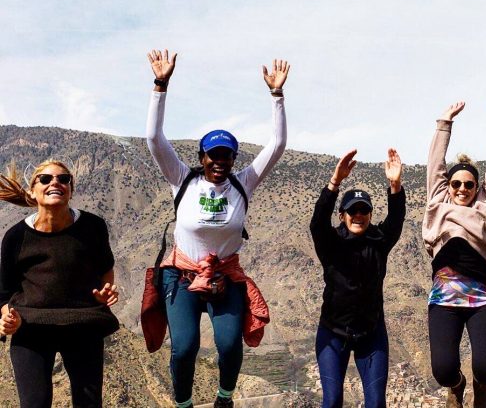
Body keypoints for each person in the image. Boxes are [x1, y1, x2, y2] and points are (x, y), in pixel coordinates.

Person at [144, 49, 288, 408]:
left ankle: (225, 398)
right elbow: (153, 139)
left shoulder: (244, 184)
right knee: (185, 348)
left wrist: (277, 96)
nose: (220, 162)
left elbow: (278, 144)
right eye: (214, 155)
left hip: (225, 275)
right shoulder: (182, 180)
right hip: (181, 276)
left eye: (227, 156)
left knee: (227, 344)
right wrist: (160, 85)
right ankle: (184, 403)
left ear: (233, 159)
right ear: (202, 158)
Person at [0, 160, 120, 408]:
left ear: (70, 189)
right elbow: (4, 293)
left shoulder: (93, 227)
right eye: (45, 179)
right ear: (33, 191)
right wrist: (7, 318)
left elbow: (106, 269)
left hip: (82, 324)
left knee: (88, 404)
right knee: (35, 403)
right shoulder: (16, 237)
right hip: (31, 327)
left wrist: (104, 293)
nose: (55, 182)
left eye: (63, 179)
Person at [422, 101, 486, 408]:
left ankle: (478, 384)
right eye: (456, 183)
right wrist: (443, 124)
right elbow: (435, 165)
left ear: (477, 188)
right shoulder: (438, 203)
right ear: (448, 186)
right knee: (444, 371)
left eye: (469, 184)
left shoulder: (485, 208)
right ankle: (458, 385)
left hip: (482, 297)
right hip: (444, 299)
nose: (462, 188)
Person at [310, 148, 405, 408]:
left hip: (371, 334)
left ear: (371, 215)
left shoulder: (379, 241)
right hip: (333, 333)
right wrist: (334, 184)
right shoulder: (331, 244)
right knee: (332, 401)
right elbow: (317, 224)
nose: (359, 215)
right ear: (342, 215)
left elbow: (396, 221)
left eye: (364, 210)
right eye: (353, 211)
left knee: (376, 403)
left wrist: (395, 186)